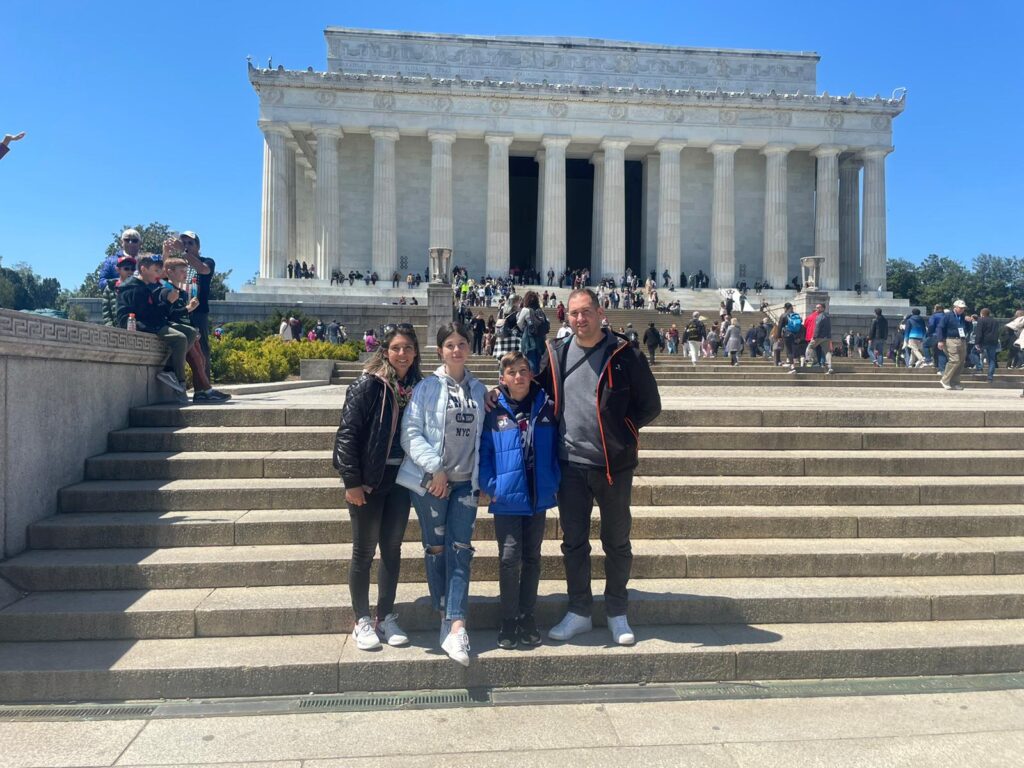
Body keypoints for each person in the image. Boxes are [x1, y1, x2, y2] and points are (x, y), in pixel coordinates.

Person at [528, 288, 661, 646]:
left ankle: (617, 612)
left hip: (613, 466)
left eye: (586, 312)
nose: (580, 319)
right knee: (574, 543)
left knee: (616, 541)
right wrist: (497, 393)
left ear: (601, 313)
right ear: (566, 317)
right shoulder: (556, 354)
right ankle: (580, 611)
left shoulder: (624, 353)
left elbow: (650, 404)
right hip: (570, 464)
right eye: (573, 314)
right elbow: (533, 393)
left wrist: (622, 433)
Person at [397, 322, 487, 666]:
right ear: (440, 351)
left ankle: (456, 625)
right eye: (450, 345)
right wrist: (435, 469)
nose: (456, 350)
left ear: (469, 348)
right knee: (437, 550)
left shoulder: (479, 390)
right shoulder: (426, 388)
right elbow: (411, 432)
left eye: (462, 343)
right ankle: (445, 620)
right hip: (431, 482)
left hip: (466, 483)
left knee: (461, 550)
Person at [334, 325, 423, 651]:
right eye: (397, 348)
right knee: (364, 551)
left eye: (408, 348)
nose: (403, 354)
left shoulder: (417, 388)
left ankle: (385, 616)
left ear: (415, 354)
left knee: (392, 549)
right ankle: (361, 619)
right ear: (385, 351)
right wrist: (352, 482)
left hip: (400, 481)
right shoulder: (368, 385)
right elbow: (347, 434)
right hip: (369, 482)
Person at [478, 351, 560, 649]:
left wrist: (555, 478)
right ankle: (509, 618)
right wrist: (492, 485)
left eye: (523, 370)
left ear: (531, 374)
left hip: (538, 494)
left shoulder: (546, 405)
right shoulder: (494, 409)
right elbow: (484, 451)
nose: (518, 377)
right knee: (510, 558)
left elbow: (557, 447)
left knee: (533, 558)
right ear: (503, 379)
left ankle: (527, 615)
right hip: (507, 496)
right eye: (512, 372)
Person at [116, 252, 198, 398]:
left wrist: (168, 300)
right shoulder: (132, 287)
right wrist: (167, 301)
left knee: (191, 332)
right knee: (180, 338)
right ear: (143, 269)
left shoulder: (153, 284)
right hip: (137, 322)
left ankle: (168, 369)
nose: (159, 274)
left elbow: (160, 307)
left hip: (152, 320)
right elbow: (146, 313)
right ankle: (180, 382)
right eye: (156, 270)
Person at [162, 256, 231, 404]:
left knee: (202, 359)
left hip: (188, 330)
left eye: (186, 271)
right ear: (170, 272)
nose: (185, 275)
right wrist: (188, 308)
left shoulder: (180, 290)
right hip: (177, 332)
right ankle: (206, 391)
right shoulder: (166, 289)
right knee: (197, 360)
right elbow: (170, 314)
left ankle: (202, 391)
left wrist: (193, 325)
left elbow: (184, 315)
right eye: (182, 271)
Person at [937, 299, 970, 390]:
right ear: (955, 307)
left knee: (961, 362)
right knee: (954, 360)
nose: (962, 310)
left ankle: (955, 382)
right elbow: (940, 327)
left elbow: (968, 329)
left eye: (963, 308)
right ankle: (945, 380)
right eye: (960, 308)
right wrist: (940, 340)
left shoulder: (964, 317)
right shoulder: (947, 316)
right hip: (951, 340)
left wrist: (969, 322)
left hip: (962, 340)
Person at [516, 290, 549, 374]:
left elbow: (519, 323)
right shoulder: (540, 310)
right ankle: (538, 381)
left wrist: (524, 329)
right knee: (539, 362)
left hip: (528, 340)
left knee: (530, 362)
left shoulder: (525, 310)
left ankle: (532, 382)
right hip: (541, 340)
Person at [974, 308, 1000, 383]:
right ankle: (990, 377)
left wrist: (977, 343)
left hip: (984, 341)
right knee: (992, 360)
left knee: (976, 354)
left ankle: (979, 368)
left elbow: (979, 333)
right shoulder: (995, 321)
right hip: (993, 342)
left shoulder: (981, 320)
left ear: (982, 314)